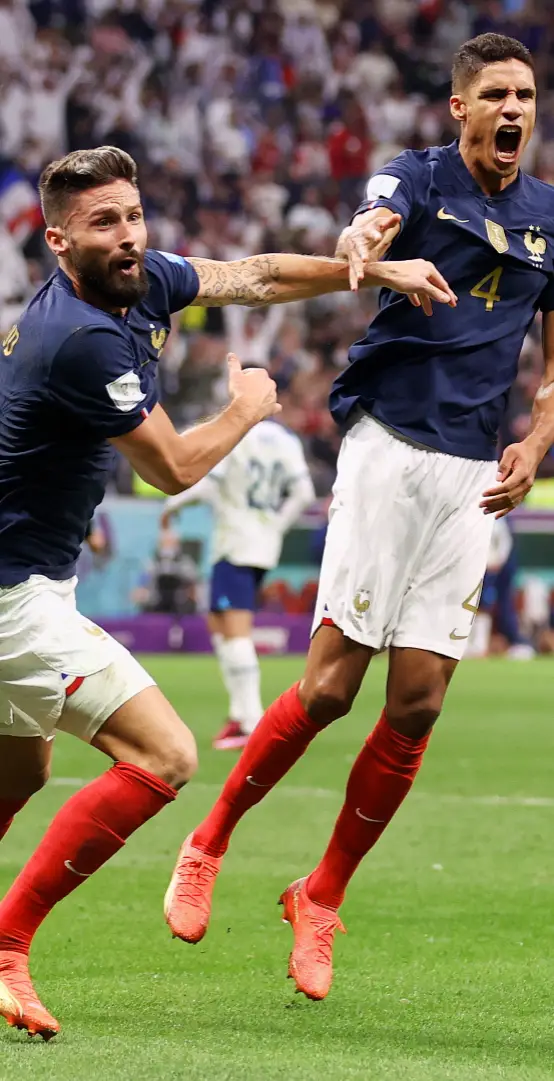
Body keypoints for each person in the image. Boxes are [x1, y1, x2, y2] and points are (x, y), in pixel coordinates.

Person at [0, 145, 452, 1039]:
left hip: (33, 578)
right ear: (57, 241)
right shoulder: (79, 338)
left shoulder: (137, 282)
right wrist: (247, 404)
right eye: (103, 223)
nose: (128, 236)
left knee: (22, 768)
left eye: (133, 215)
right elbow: (171, 468)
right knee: (164, 756)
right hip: (12, 596)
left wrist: (367, 269)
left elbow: (251, 275)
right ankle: (8, 947)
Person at [165, 33, 554, 1002]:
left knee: (417, 701)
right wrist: (360, 245)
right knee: (333, 686)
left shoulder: (549, 217)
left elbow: (551, 363)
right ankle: (207, 842)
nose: (513, 110)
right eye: (494, 96)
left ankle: (319, 896)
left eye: (525, 95)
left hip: (472, 473)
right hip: (388, 448)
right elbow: (366, 225)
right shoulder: (415, 180)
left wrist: (536, 442)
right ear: (458, 108)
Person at [161, 417, 315, 749]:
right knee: (219, 623)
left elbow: (210, 486)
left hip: (234, 542)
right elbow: (304, 493)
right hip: (261, 543)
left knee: (234, 629)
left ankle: (250, 721)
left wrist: (171, 505)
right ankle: (238, 713)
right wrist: (275, 526)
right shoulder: (285, 438)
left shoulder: (236, 433)